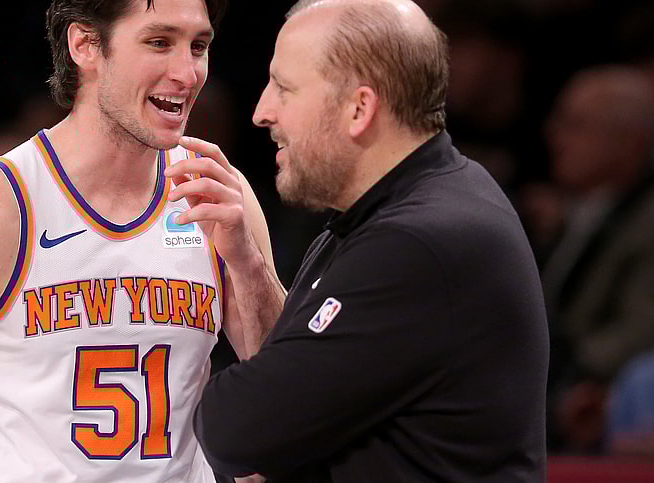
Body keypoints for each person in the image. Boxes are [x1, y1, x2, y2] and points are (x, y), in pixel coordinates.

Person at [0, 1, 281, 482]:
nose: (187, 72)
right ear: (85, 45)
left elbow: (291, 390)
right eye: (159, 42)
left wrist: (249, 266)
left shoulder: (218, 193)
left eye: (198, 46)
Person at [184, 0, 549, 480]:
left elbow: (236, 429)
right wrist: (249, 267)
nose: (261, 112)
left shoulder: (419, 244)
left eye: (284, 89)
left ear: (359, 108)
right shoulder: (399, 205)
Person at [525, 65, 654, 453]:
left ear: (631, 142)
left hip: (602, 401)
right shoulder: (577, 211)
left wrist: (550, 369)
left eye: (576, 125)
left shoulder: (648, 222)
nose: (553, 135)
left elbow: (643, 327)